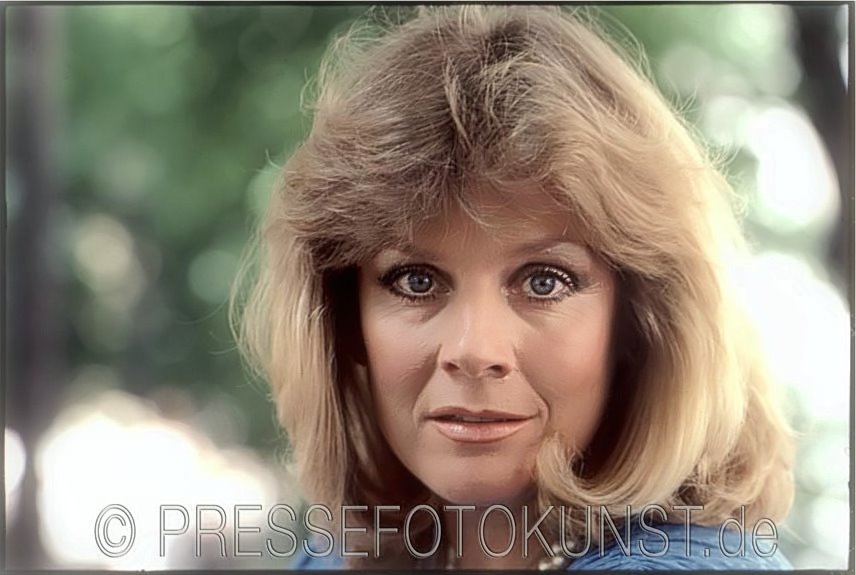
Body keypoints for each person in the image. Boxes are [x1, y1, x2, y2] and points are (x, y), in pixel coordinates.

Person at [232, 5, 794, 570]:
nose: (474, 351)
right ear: (345, 322)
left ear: (640, 321)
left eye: (544, 281)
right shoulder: (336, 556)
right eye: (416, 281)